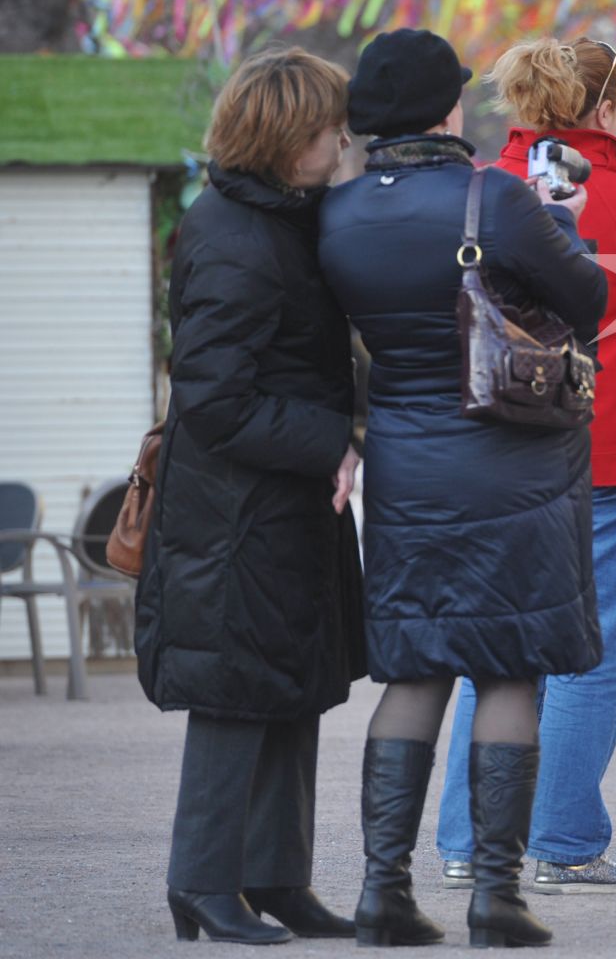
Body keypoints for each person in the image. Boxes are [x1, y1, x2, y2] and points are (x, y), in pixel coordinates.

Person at [319, 29, 608, 949]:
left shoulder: (337, 216)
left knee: (414, 668)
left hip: (405, 468)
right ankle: (495, 897)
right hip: (515, 461)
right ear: (449, 109)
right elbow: (590, 300)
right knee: (508, 668)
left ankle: (381, 892)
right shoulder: (500, 198)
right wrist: (561, 215)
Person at [434, 36, 616, 895]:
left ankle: (467, 843)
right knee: (586, 652)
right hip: (610, 447)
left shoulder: (481, 189)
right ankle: (563, 844)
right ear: (606, 110)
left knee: (492, 644)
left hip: (493, 443)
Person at [136, 48, 365, 945]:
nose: (340, 140)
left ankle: (276, 878)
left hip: (273, 507)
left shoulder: (276, 220)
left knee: (288, 686)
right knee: (236, 695)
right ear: (281, 137)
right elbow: (213, 396)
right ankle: (201, 882)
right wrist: (330, 446)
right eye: (324, 128)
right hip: (235, 513)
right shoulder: (235, 235)